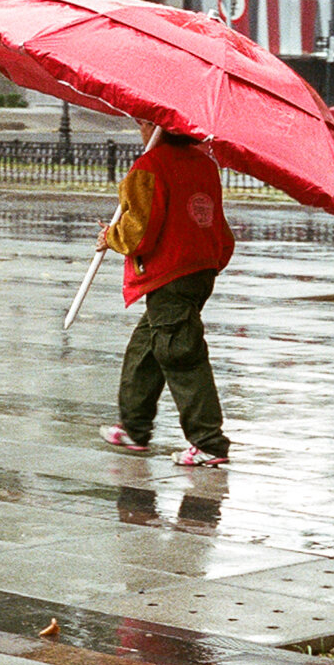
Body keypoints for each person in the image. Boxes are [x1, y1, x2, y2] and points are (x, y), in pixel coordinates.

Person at [97, 120, 236, 467]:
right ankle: (133, 426)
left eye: (143, 122)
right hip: (199, 269)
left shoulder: (151, 166)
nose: (140, 128)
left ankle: (208, 441)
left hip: (170, 273)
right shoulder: (205, 163)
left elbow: (139, 233)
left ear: (155, 127)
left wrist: (112, 237)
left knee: (180, 352)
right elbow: (215, 221)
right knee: (146, 348)